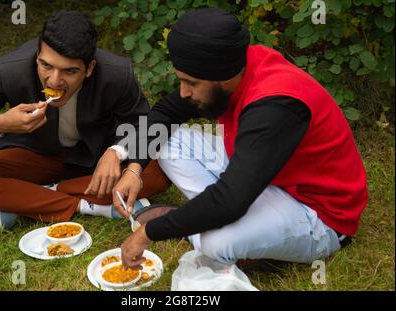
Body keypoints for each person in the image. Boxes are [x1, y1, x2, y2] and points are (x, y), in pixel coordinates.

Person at [113, 8, 368, 269]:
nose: (183, 91)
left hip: (318, 214)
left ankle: (215, 228)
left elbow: (230, 201)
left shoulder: (273, 106)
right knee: (168, 141)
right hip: (270, 179)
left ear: (222, 78)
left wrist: (148, 233)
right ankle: (209, 221)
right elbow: (168, 111)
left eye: (190, 82)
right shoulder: (235, 63)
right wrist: (134, 167)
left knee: (216, 243)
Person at [0, 10, 170, 232]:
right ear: (37, 56)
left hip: (95, 158)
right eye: (46, 66)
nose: (54, 80)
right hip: (34, 153)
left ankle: (25, 197)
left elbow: (147, 125)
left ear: (89, 68)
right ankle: (90, 205)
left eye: (70, 71)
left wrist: (116, 151)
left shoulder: (117, 74)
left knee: (158, 171)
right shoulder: (9, 70)